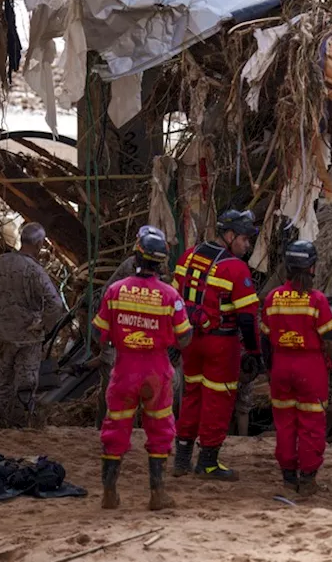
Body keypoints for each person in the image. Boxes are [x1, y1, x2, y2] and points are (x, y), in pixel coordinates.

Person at [93, 227, 192, 510]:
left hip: (124, 369)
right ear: (161, 262)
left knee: (115, 429)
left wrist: (118, 337)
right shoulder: (170, 295)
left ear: (137, 255)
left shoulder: (115, 290)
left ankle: (110, 493)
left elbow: (97, 333)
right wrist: (168, 338)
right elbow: (185, 337)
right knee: (160, 429)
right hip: (156, 370)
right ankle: (157, 494)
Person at [172, 208, 262, 480]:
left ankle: (182, 459)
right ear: (230, 234)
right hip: (221, 345)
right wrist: (254, 352)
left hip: (189, 340)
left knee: (191, 396)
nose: (247, 246)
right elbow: (247, 317)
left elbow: (174, 296)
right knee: (218, 401)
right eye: (245, 239)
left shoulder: (190, 255)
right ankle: (208, 462)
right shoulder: (235, 267)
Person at [0, 222, 64, 427]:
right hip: (29, 338)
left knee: (0, 385)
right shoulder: (35, 271)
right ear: (38, 244)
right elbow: (55, 303)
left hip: (3, 335)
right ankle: (18, 428)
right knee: (25, 386)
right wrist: (44, 326)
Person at [261, 240, 332, 497]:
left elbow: (264, 339)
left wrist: (270, 368)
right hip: (310, 368)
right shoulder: (316, 300)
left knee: (284, 423)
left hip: (281, 366)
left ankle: (287, 476)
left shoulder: (272, 298)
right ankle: (307, 479)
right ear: (312, 268)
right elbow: (329, 340)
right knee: (311, 424)